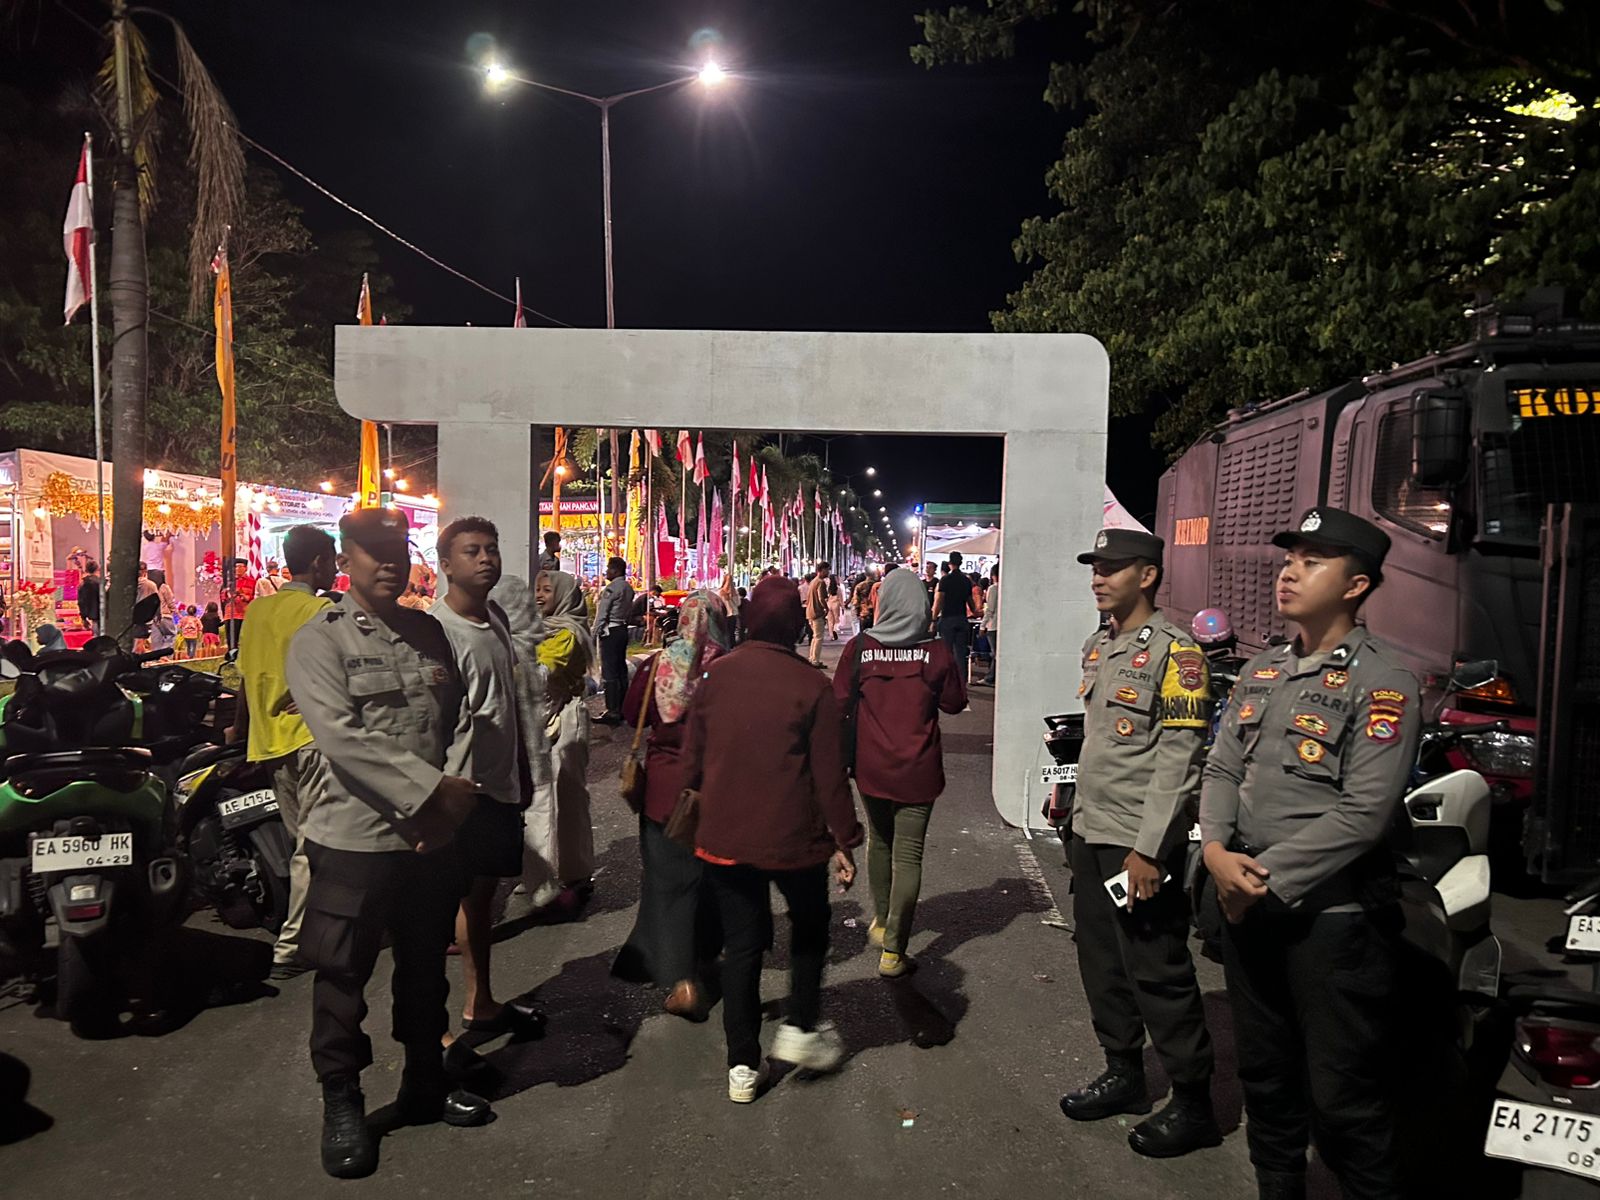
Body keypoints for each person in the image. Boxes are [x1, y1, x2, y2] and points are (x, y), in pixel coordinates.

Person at [1200, 508, 1419, 1200]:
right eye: (1289, 559)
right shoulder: (1262, 670)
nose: (1289, 573)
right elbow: (1221, 768)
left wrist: (1255, 878)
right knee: (1265, 1074)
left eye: (1312, 562)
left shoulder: (1384, 681)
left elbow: (1365, 814)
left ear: (1356, 585)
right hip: (1245, 901)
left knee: (1344, 1096)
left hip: (1333, 920)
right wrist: (1215, 850)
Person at [284, 507, 491, 1180]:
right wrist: (432, 796)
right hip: (355, 838)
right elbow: (342, 737)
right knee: (342, 977)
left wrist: (451, 801)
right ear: (345, 559)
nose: (390, 562)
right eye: (374, 551)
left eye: (398, 550)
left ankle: (425, 1082)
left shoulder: (428, 632)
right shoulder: (320, 641)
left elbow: (461, 719)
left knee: (425, 966)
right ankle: (342, 1102)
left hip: (430, 841)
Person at [1059, 527, 1221, 1159]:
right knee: (1101, 961)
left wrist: (1150, 850)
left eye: (1112, 568)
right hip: (1091, 832)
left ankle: (1194, 1102)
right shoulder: (1101, 645)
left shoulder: (1178, 655)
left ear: (1147, 575)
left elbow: (1181, 759)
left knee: (1157, 968)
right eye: (1095, 568)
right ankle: (1124, 1072)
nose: (1098, 578)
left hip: (1136, 844)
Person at [681, 576, 864, 1103]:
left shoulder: (716, 676)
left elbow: (692, 760)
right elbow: (829, 776)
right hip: (793, 836)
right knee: (810, 925)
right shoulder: (810, 685)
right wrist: (845, 837)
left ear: (748, 620)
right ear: (793, 625)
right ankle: (800, 1025)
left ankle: (742, 1064)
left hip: (725, 835)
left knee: (742, 946)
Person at [430, 517, 545, 1071]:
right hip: (456, 792)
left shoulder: (495, 616)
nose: (485, 559)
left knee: (480, 901)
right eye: (471, 551)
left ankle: (481, 1004)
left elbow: (505, 702)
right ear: (445, 565)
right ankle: (436, 1034)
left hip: (497, 787)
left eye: (491, 549)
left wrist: (521, 768)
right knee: (436, 911)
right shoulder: (437, 630)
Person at [834, 568, 965, 978]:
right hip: (919, 768)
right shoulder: (936, 651)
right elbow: (954, 702)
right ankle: (894, 950)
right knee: (909, 854)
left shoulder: (860, 648)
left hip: (871, 766)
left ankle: (880, 919)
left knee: (880, 841)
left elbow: (839, 701)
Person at [614, 591, 731, 1019]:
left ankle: (684, 983)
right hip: (716, 793)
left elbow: (632, 714)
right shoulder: (727, 670)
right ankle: (704, 956)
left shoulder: (657, 666)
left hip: (663, 797)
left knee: (670, 885)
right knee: (711, 881)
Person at [230, 525, 338, 979]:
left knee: (304, 843)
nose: (335, 567)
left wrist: (240, 732)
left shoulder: (258, 610)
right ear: (316, 562)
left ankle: (319, 928)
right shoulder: (320, 610)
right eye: (331, 558)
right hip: (311, 739)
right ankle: (293, 947)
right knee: (314, 846)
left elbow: (244, 678)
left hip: (270, 743)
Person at [521, 570, 596, 913]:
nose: (539, 595)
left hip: (564, 720)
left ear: (564, 595)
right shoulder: (538, 628)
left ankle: (571, 874)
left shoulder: (567, 633)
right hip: (544, 719)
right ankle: (544, 874)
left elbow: (543, 670)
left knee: (566, 799)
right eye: (536, 589)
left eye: (547, 590)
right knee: (542, 800)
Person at [593, 556, 634, 725]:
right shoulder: (628, 588)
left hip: (610, 632)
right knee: (621, 669)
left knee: (609, 671)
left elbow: (602, 613)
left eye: (609, 568)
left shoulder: (611, 589)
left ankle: (612, 711)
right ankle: (623, 707)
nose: (606, 571)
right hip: (622, 629)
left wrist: (594, 633)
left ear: (616, 570)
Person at [932, 550, 976, 686]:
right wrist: (976, 611)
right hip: (962, 619)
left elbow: (939, 601)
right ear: (961, 563)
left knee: (946, 652)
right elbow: (971, 603)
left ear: (950, 563)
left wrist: (933, 619)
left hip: (947, 618)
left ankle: (947, 681)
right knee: (961, 653)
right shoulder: (966, 580)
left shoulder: (945, 580)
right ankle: (961, 682)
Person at [804, 561, 832, 667]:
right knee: (819, 637)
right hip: (817, 612)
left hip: (810, 612)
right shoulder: (820, 582)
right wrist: (826, 608)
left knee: (815, 637)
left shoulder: (813, 581)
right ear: (822, 570)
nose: (828, 572)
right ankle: (815, 661)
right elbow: (821, 598)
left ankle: (812, 658)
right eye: (827, 570)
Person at [977, 562, 1000, 687]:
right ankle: (992, 677)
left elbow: (989, 610)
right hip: (1001, 625)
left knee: (995, 653)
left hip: (993, 625)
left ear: (993, 575)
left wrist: (982, 625)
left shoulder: (993, 589)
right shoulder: (1006, 588)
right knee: (997, 653)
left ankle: (991, 678)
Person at [78, 561, 102, 634]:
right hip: (100, 610)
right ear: (97, 569)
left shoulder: (83, 583)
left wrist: (83, 617)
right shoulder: (100, 582)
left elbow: (81, 600)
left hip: (88, 610)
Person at [852, 569, 877, 634]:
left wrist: (857, 613)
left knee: (864, 634)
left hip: (864, 614)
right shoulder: (878, 585)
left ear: (866, 574)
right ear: (874, 574)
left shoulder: (859, 586)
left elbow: (856, 601)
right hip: (877, 614)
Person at [826, 572, 843, 641]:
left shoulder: (828, 588)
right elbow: (840, 598)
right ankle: (835, 630)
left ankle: (831, 636)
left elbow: (825, 598)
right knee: (836, 620)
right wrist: (843, 607)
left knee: (830, 621)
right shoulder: (838, 588)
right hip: (836, 604)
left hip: (829, 605)